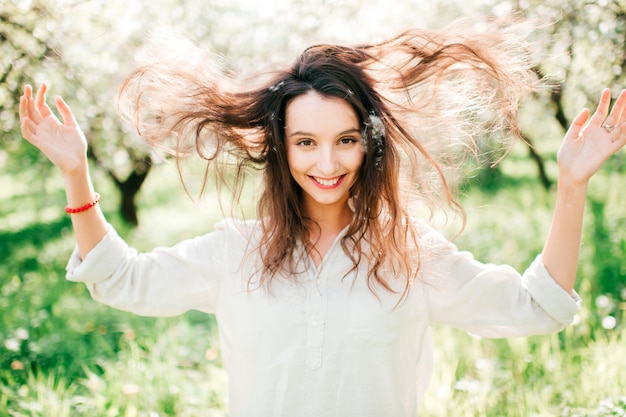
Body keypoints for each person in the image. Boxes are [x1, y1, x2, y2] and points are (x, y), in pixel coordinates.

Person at [18, 17, 626, 417]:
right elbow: (122, 279)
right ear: (281, 147)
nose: (327, 161)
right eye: (305, 141)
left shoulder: (412, 255)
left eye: (345, 140)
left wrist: (571, 184)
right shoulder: (235, 252)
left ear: (370, 144)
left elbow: (537, 308)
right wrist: (77, 172)